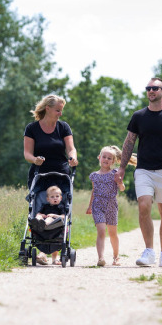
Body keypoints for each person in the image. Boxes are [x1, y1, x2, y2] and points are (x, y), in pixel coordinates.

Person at [114, 77, 162, 267]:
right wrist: (122, 167)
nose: (151, 91)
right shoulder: (139, 116)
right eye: (148, 88)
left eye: (155, 88)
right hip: (143, 170)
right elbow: (129, 142)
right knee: (144, 205)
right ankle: (148, 252)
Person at [24, 94, 78, 266]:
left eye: (61, 111)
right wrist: (34, 159)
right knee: (39, 208)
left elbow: (71, 148)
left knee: (58, 208)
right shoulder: (32, 128)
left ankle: (53, 255)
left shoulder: (63, 127)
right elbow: (27, 153)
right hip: (39, 174)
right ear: (47, 108)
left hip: (60, 175)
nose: (60, 114)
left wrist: (73, 158)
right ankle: (41, 252)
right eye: (58, 110)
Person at [86, 146, 137, 267]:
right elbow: (94, 191)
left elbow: (122, 189)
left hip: (111, 205)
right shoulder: (94, 175)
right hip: (97, 205)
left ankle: (116, 257)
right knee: (101, 230)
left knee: (113, 233)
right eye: (104, 157)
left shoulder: (115, 173)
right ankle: (101, 258)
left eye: (109, 158)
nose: (106, 159)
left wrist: (120, 182)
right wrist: (89, 206)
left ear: (113, 161)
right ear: (99, 158)